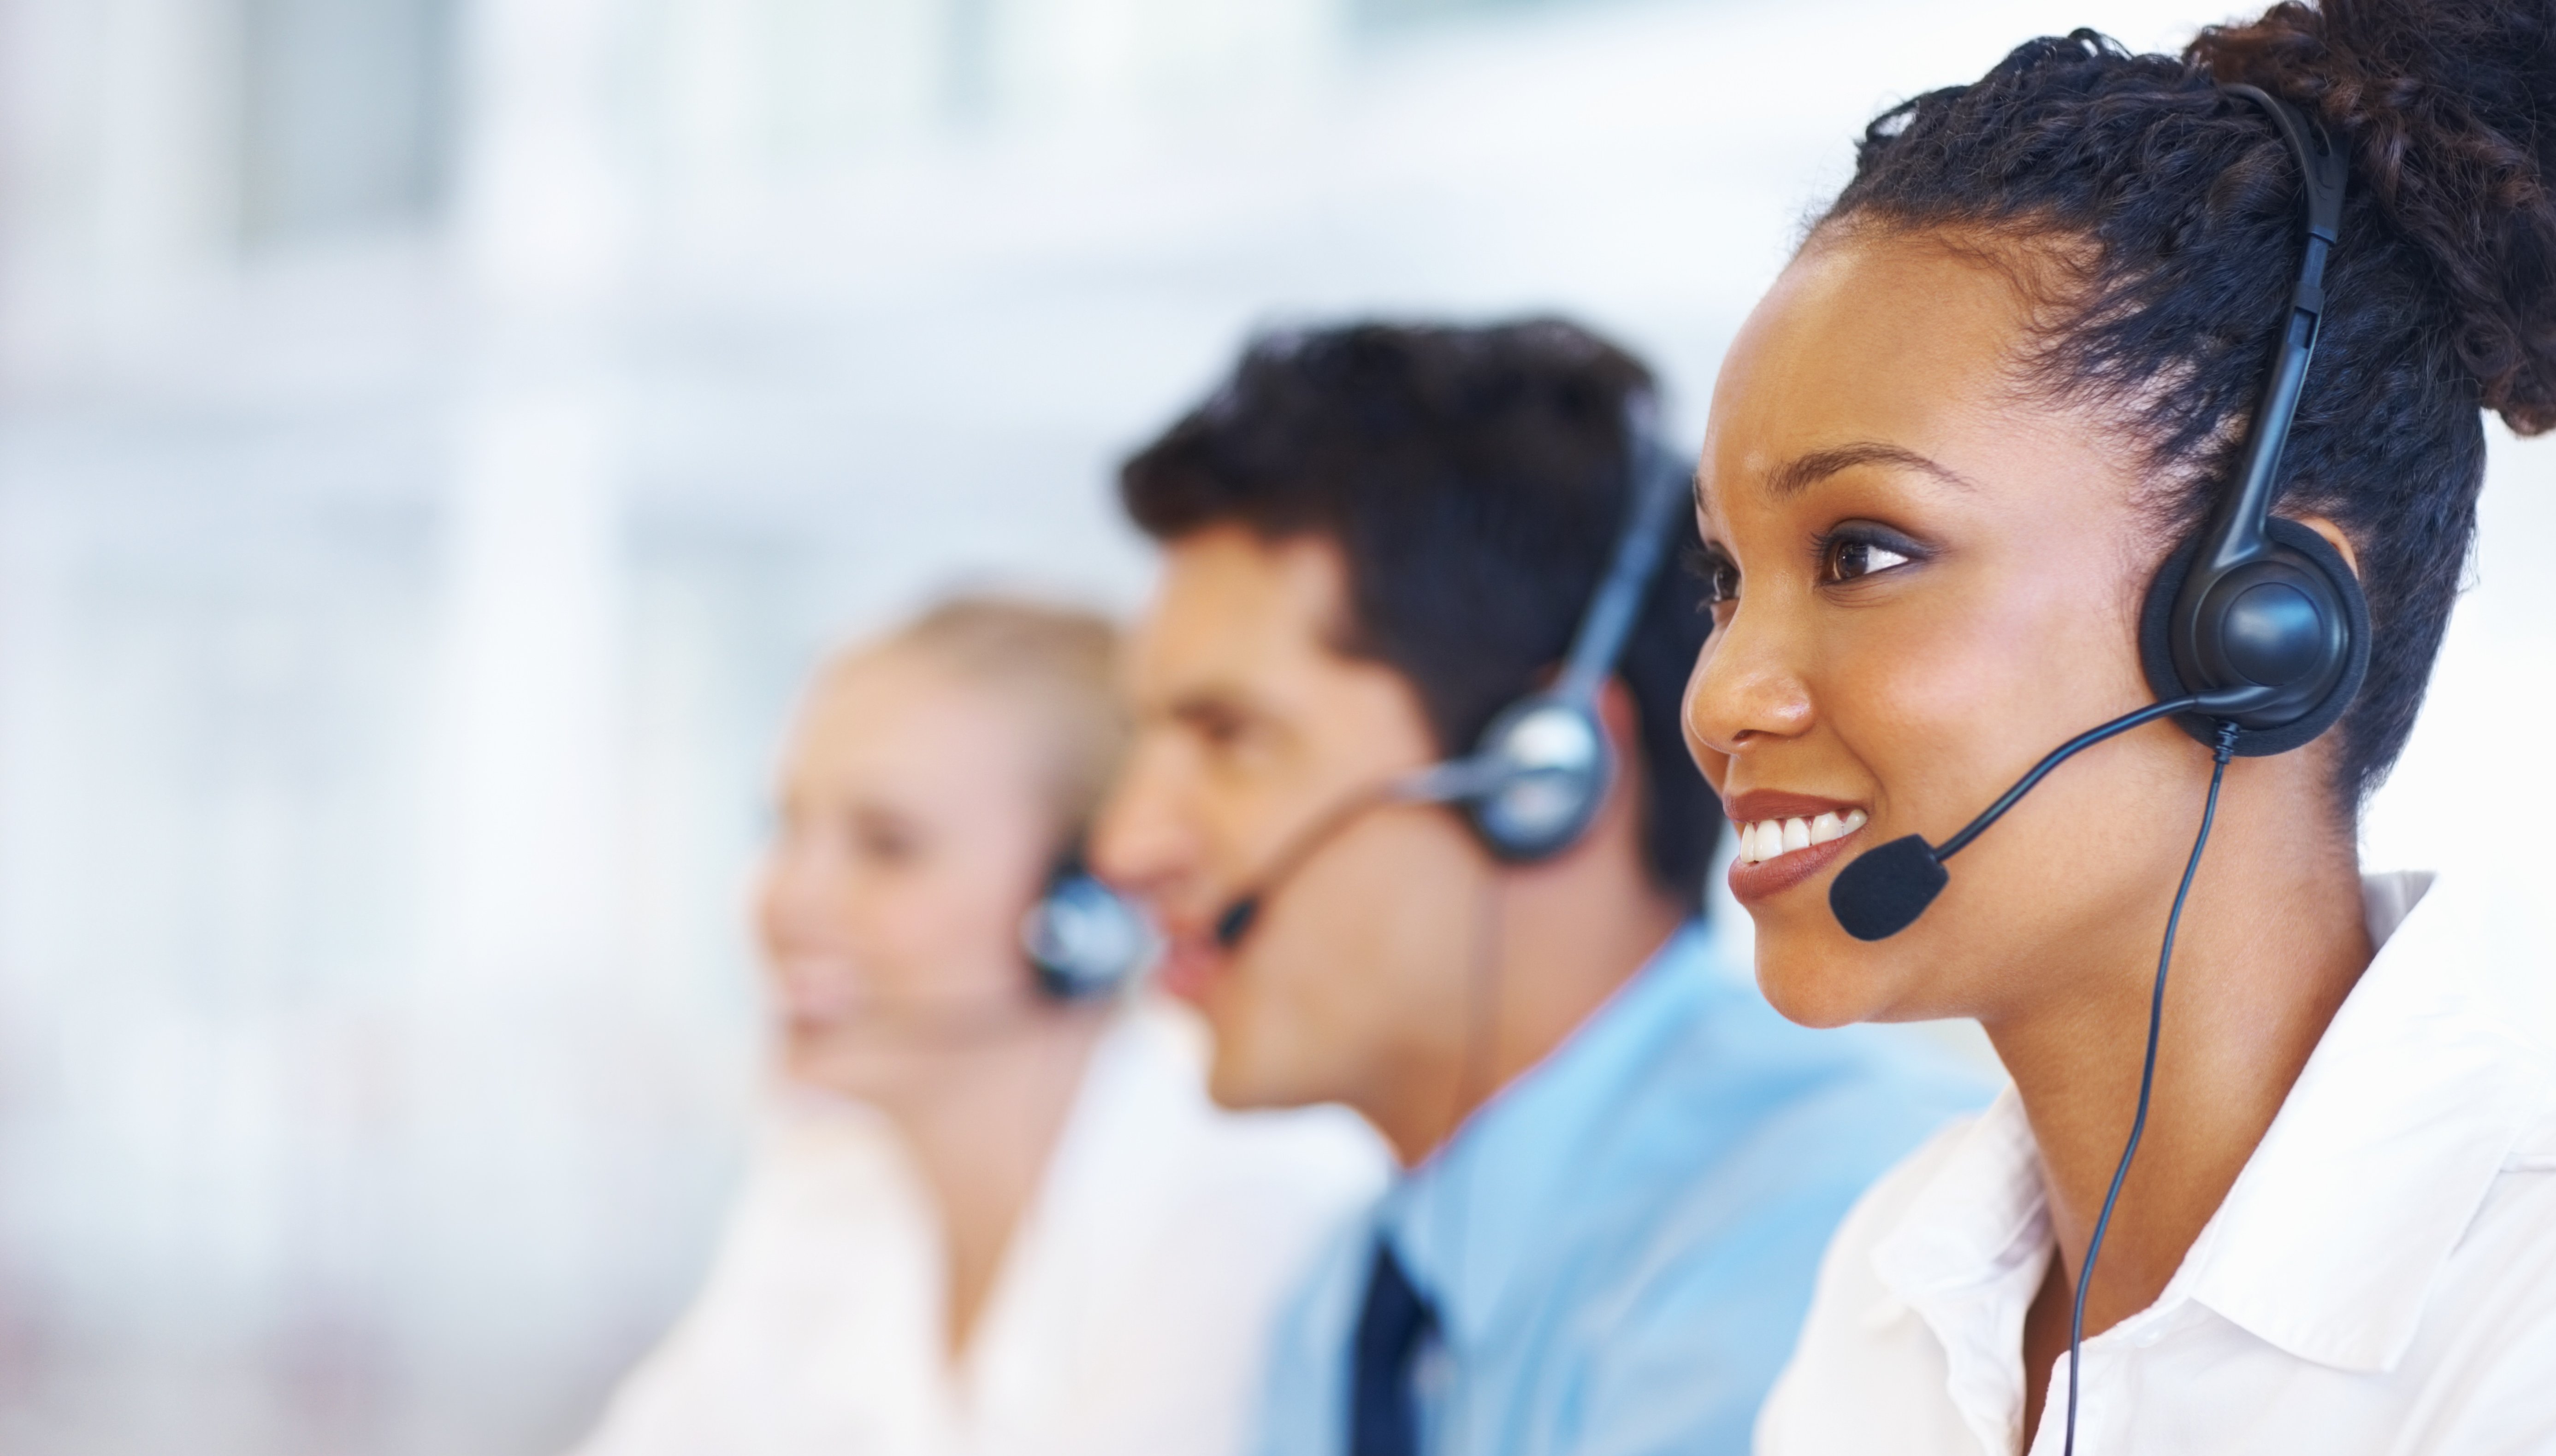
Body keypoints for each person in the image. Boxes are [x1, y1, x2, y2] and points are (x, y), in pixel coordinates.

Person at [1678, 2, 2556, 1452]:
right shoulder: (1895, 1288)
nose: (1722, 697)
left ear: (2262, 624)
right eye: (1727, 581)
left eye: (1861, 552)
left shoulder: (2550, 1319)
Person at [1091, 320, 1987, 1456]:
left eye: (1228, 736)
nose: (1125, 845)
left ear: (1543, 770)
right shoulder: (1339, 1312)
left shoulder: (1844, 1240)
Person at [570, 596, 1387, 1456]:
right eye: (785, 829)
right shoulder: (830, 1183)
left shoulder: (1239, 1206)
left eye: (888, 846)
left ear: (1085, 907)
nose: (786, 900)